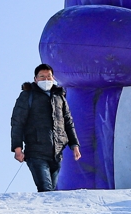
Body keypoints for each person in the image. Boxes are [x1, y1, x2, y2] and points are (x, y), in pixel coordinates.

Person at [10, 63, 81, 192]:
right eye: (42, 77)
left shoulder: (59, 97)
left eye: (48, 76)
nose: (46, 80)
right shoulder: (27, 96)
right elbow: (17, 122)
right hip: (36, 152)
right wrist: (17, 148)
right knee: (46, 190)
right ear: (35, 79)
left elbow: (68, 122)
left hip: (57, 154)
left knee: (51, 193)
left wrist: (74, 145)